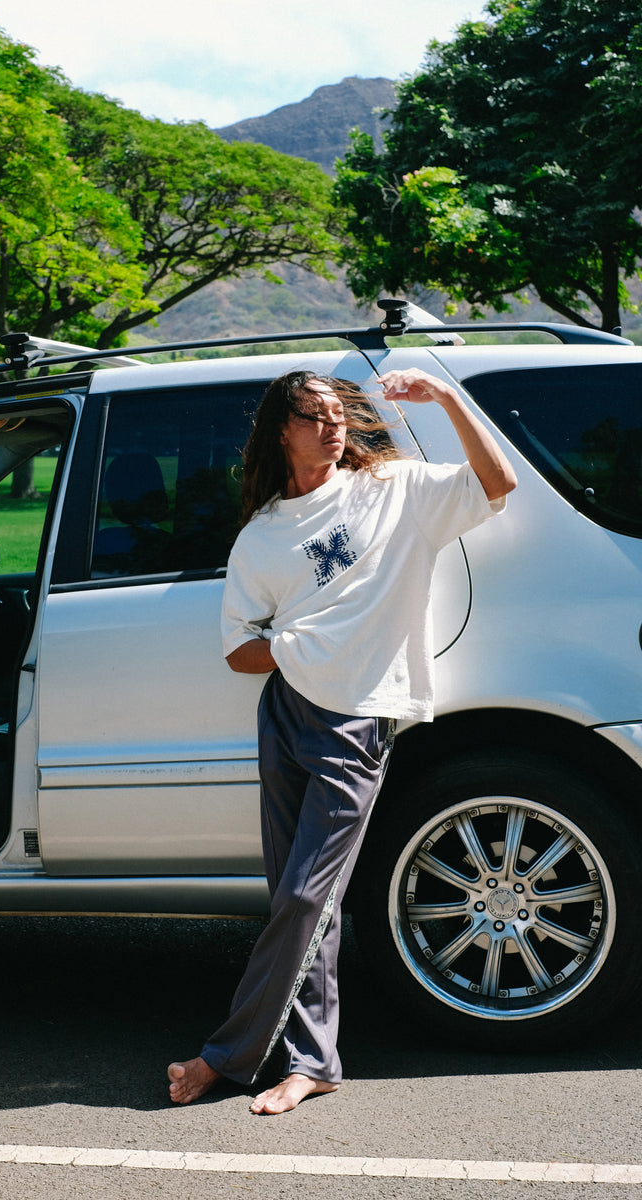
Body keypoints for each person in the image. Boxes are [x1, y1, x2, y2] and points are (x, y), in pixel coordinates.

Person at [168, 366, 517, 1115]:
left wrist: (450, 400)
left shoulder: (394, 490)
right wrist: (300, 647)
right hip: (286, 714)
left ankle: (225, 1058)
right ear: (281, 432)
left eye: (338, 414)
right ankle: (312, 1062)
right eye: (313, 416)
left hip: (355, 719)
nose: (333, 426)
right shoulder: (262, 534)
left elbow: (498, 485)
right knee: (300, 903)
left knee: (304, 895)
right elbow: (239, 649)